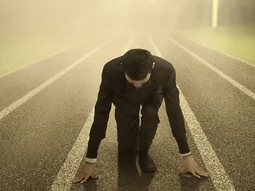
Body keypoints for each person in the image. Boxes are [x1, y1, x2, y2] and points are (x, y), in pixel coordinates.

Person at [72, 48, 209, 183]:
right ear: (122, 69)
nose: (137, 86)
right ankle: (132, 141)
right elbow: (101, 111)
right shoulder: (111, 70)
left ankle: (144, 152)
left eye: (142, 81)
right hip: (124, 96)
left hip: (152, 94)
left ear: (152, 68)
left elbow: (174, 110)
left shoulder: (165, 70)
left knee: (150, 113)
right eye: (132, 82)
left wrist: (186, 156)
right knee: (126, 150)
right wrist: (90, 159)